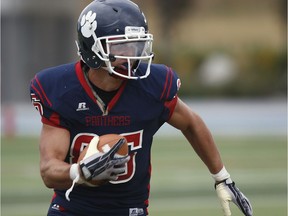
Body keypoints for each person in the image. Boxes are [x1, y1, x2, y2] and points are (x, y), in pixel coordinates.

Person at [29, 0, 253, 215]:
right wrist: (81, 171)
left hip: (129, 210)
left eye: (135, 44)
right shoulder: (62, 89)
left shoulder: (151, 86)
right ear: (92, 47)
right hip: (72, 210)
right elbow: (49, 170)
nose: (131, 54)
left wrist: (222, 177)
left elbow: (191, 123)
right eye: (120, 45)